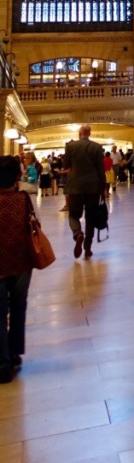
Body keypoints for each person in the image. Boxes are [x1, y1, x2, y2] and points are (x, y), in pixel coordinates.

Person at [0, 156, 34, 383]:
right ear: (17, 176)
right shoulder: (23, 199)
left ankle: (1, 363)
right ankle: (14, 353)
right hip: (21, 261)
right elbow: (34, 225)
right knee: (19, 305)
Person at [63, 124, 106, 260]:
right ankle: (88, 249)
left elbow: (66, 165)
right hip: (93, 187)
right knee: (90, 218)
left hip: (75, 187)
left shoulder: (70, 146)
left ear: (79, 133)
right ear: (90, 133)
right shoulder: (97, 147)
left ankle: (77, 234)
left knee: (73, 215)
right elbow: (101, 169)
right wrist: (103, 187)